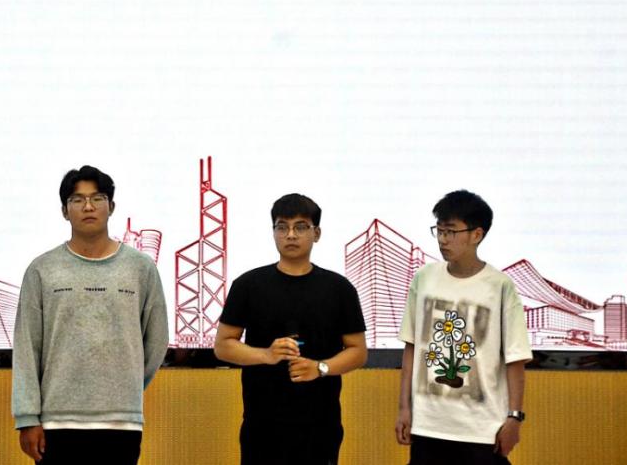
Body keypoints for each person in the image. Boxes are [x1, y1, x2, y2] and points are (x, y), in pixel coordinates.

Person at [12, 165, 168, 465]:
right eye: (77, 199)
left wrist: (125, 385)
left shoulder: (141, 268)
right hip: (56, 422)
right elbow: (27, 346)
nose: (88, 206)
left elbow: (156, 340)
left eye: (97, 198)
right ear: (64, 211)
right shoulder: (42, 269)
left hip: (121, 422)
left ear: (111, 206)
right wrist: (27, 417)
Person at [215, 193, 367, 465]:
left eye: (301, 227)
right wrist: (266, 355)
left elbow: (358, 351)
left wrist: (320, 368)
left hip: (321, 424)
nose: (291, 235)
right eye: (282, 227)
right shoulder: (248, 285)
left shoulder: (339, 289)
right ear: (273, 232)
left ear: (316, 233)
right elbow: (223, 345)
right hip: (262, 425)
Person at [395, 190, 532, 465]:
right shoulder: (424, 279)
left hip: (481, 429)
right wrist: (404, 408)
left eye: (451, 231)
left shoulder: (499, 286)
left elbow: (515, 359)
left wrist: (514, 417)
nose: (443, 239)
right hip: (428, 426)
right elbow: (411, 348)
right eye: (439, 231)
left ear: (476, 234)